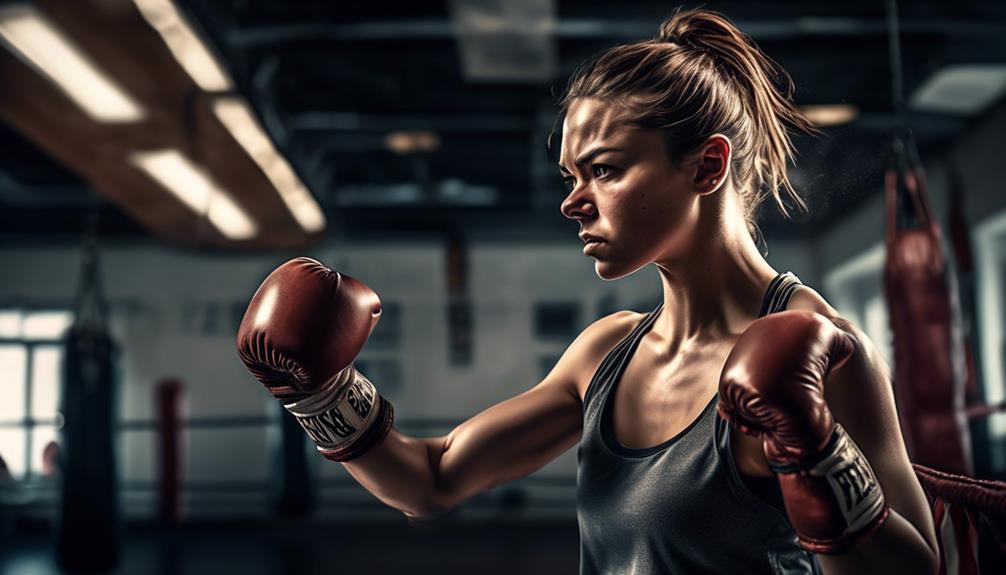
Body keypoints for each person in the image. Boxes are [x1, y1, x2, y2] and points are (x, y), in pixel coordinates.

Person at [236, 9, 940, 574]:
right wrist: (321, 395)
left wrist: (818, 459)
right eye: (572, 176)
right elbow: (432, 478)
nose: (574, 201)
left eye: (603, 170)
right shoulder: (607, 352)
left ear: (706, 166)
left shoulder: (820, 351)